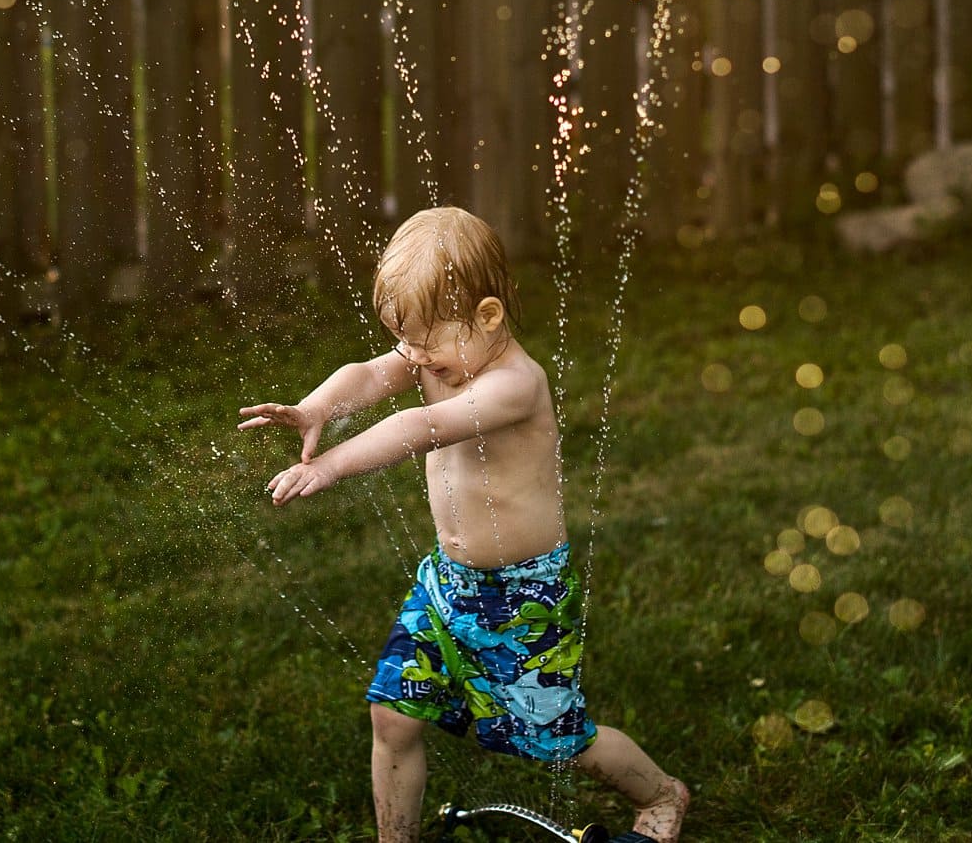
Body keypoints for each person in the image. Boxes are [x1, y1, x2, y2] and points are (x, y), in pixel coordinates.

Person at [239, 206, 690, 843]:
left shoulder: (515, 385)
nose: (415, 358)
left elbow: (418, 427)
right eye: (406, 341)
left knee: (561, 740)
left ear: (487, 316)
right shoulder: (438, 352)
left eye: (425, 342)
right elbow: (371, 374)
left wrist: (335, 465)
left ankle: (663, 795)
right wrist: (316, 407)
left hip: (523, 597)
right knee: (392, 717)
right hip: (447, 584)